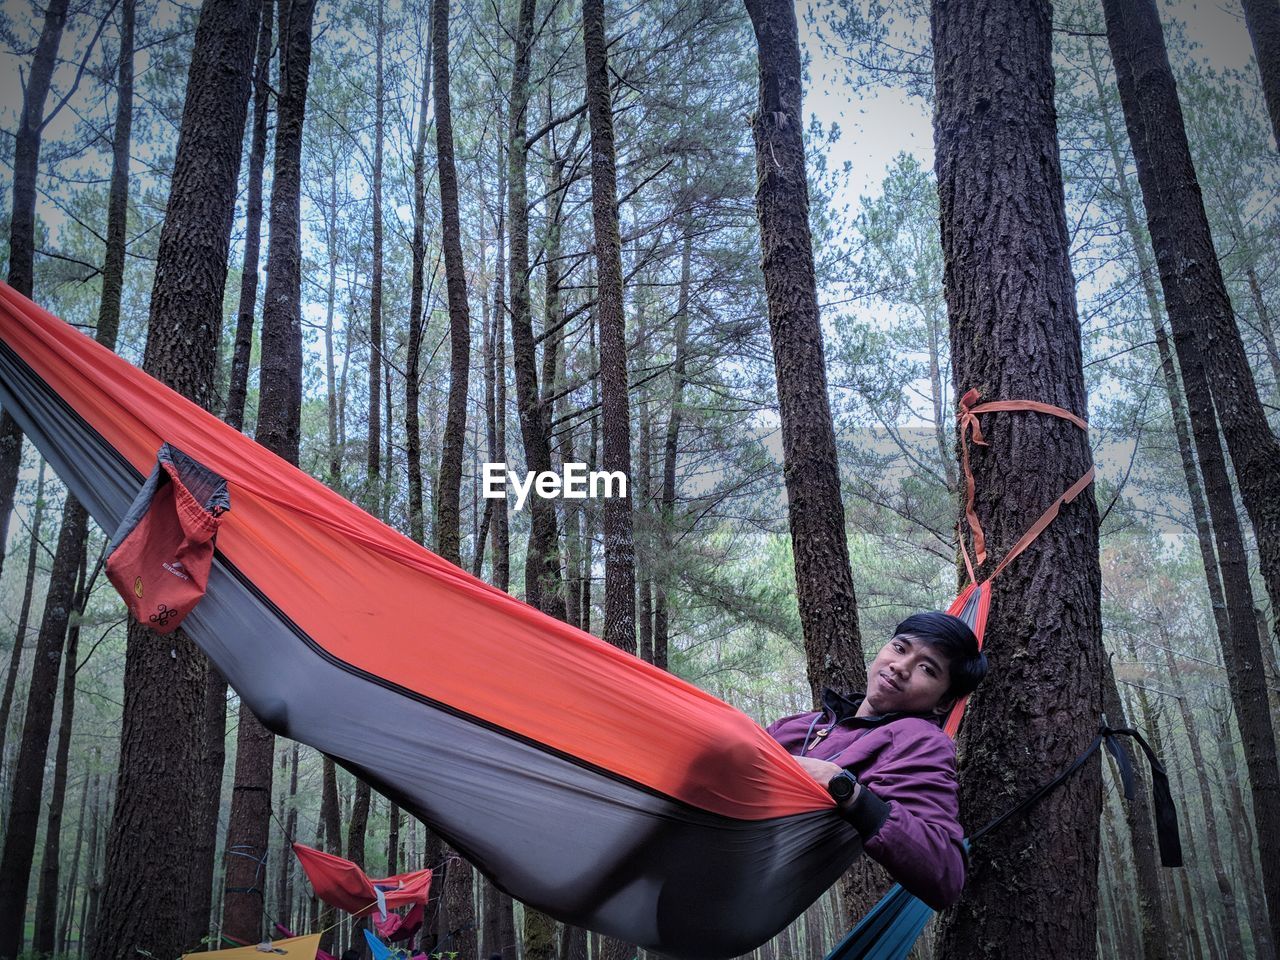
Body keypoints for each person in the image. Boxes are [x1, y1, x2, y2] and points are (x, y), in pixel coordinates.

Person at [766, 611, 987, 910]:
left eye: (927, 669)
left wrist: (844, 788)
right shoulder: (802, 724)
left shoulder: (919, 740)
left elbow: (945, 873)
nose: (900, 667)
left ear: (944, 703)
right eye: (899, 648)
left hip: (748, 875)